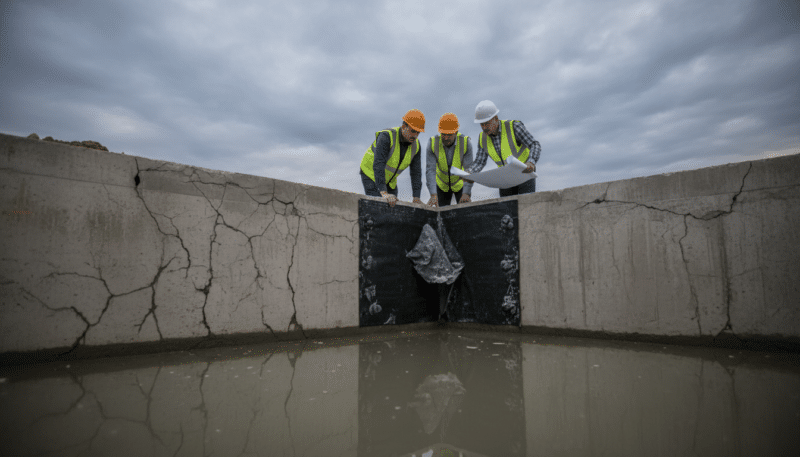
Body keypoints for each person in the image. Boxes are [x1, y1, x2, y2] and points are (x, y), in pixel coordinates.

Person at [467, 100, 541, 197]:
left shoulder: (513, 127)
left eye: (487, 123)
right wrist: (469, 173)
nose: (484, 127)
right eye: (482, 124)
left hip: (524, 175)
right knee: (507, 210)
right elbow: (479, 162)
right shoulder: (482, 138)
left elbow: (534, 144)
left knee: (526, 207)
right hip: (505, 179)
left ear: (496, 118)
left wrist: (531, 162)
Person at [359, 109, 426, 207]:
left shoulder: (416, 146)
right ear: (404, 127)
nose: (415, 136)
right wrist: (383, 193)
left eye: (418, 133)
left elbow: (416, 172)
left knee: (394, 208)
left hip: (389, 180)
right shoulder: (387, 136)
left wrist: (416, 197)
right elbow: (379, 164)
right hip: (370, 174)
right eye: (413, 131)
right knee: (379, 206)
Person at [425, 113, 474, 207]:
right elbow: (430, 170)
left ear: (456, 132)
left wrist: (466, 193)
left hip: (460, 185)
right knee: (441, 216)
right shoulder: (432, 143)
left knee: (465, 211)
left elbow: (469, 170)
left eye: (449, 135)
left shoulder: (465, 142)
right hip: (441, 186)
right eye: (443, 134)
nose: (446, 138)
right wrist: (433, 194)